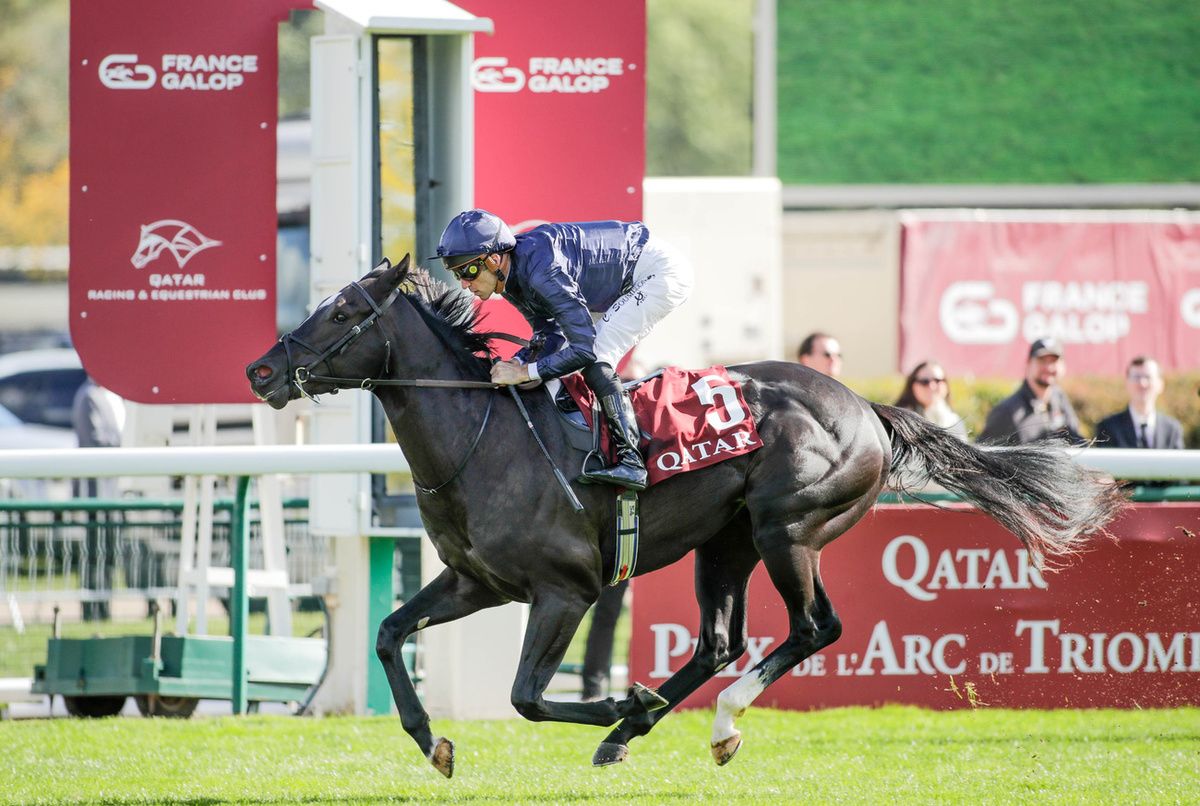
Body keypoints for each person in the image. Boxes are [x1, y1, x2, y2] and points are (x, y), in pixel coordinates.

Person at [430, 209, 693, 491]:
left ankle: (632, 461)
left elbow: (584, 351)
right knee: (570, 358)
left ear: (494, 259)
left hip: (657, 272)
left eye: (468, 271)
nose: (464, 284)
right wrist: (518, 363)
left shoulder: (542, 274)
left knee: (598, 355)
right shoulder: (509, 278)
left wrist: (526, 372)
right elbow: (549, 333)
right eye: (456, 273)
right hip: (631, 270)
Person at [978, 337, 1084, 446]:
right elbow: (983, 455)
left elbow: (1078, 444)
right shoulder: (1007, 412)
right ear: (1028, 363)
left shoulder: (1060, 399)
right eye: (1042, 361)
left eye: (1054, 361)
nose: (1048, 367)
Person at [1095, 356, 1184, 449]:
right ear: (1126, 383)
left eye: (1148, 377)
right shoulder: (1108, 428)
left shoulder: (1172, 429)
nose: (1142, 383)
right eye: (1136, 377)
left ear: (1160, 384)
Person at [893, 360, 968, 440]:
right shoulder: (898, 420)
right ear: (912, 386)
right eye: (924, 382)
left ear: (946, 385)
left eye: (938, 380)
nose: (932, 386)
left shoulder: (954, 421)